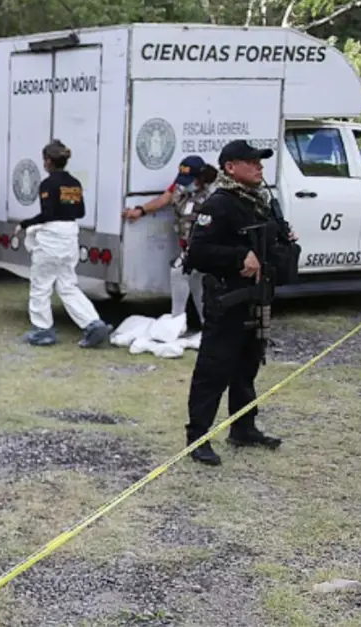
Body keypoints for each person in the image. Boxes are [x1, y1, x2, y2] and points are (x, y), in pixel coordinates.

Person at [183, 140, 292, 466]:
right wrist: (239, 256)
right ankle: (197, 438)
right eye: (251, 162)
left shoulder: (257, 200)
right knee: (213, 369)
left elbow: (264, 241)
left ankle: (243, 428)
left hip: (256, 298)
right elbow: (197, 253)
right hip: (228, 299)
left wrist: (283, 243)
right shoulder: (220, 204)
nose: (259, 167)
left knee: (247, 366)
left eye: (260, 161)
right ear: (230, 168)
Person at [14, 141, 113, 348]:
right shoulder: (74, 183)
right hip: (70, 237)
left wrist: (25, 224)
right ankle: (93, 323)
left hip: (51, 239)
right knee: (67, 285)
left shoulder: (48, 184)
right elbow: (80, 212)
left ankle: (42, 330)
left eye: (44, 160)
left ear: (49, 161)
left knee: (41, 285)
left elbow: (47, 214)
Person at [123, 156, 218, 322]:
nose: (184, 184)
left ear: (201, 177)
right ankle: (203, 323)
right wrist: (141, 210)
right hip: (188, 245)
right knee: (195, 283)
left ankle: (179, 321)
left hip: (204, 245)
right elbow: (164, 199)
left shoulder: (214, 194)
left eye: (190, 180)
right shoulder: (182, 185)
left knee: (180, 274)